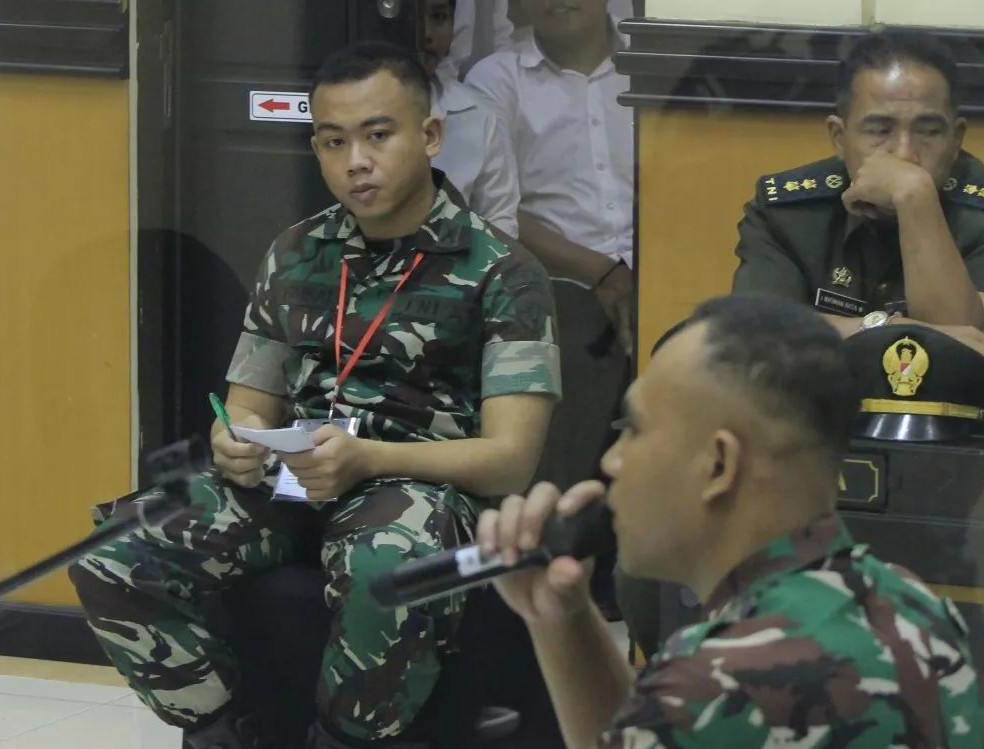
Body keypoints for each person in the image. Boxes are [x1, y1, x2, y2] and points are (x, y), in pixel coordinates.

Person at [69, 42, 560, 749]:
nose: (355, 160)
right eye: (333, 142)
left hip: (420, 484)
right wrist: (233, 441)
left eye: (377, 134)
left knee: (381, 564)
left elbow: (512, 459)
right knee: (113, 551)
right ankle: (223, 726)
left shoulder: (502, 272)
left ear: (429, 135)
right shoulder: (295, 254)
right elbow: (248, 401)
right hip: (295, 475)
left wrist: (366, 457)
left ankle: (342, 739)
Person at [476, 294, 984, 749]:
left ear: (718, 465)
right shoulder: (914, 607)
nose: (611, 463)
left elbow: (683, 715)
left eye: (633, 430)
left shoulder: (715, 682)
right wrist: (562, 621)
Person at [732, 30, 984, 366]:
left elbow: (961, 348)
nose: (905, 154)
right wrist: (885, 326)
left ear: (956, 138)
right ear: (839, 137)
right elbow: (757, 336)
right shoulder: (786, 209)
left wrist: (915, 198)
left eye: (928, 131)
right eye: (880, 130)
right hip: (815, 412)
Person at [466, 0, 635, 354]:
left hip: (668, 274)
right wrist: (604, 273)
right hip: (555, 291)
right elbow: (492, 207)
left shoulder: (651, 62)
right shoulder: (495, 80)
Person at [420, 0, 521, 237]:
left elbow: (499, 222)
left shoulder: (478, 114)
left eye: (439, 16)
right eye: (413, 19)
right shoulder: (342, 105)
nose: (426, 33)